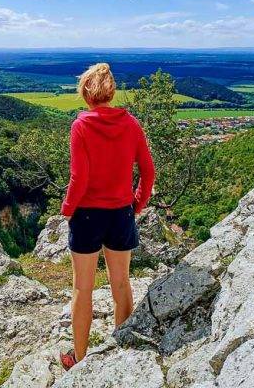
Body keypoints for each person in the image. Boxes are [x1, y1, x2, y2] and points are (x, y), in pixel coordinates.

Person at [59, 63, 155, 371]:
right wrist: (136, 205)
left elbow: (80, 177)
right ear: (110, 91)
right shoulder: (131, 124)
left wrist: (67, 209)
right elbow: (148, 171)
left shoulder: (81, 125)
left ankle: (79, 358)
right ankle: (122, 346)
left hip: (87, 215)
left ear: (86, 92)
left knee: (82, 288)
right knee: (121, 284)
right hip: (120, 214)